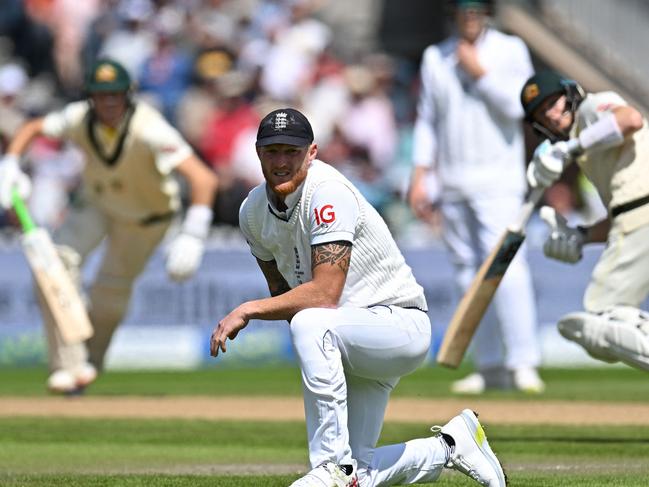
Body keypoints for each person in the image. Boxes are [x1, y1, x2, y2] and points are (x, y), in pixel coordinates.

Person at [210, 107, 507, 487]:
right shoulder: (252, 212)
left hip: (398, 324)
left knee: (311, 322)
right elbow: (284, 295)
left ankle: (334, 463)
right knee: (362, 473)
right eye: (272, 152)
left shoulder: (328, 191)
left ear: (312, 152)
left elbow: (324, 293)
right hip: (349, 334)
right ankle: (451, 445)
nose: (281, 162)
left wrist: (248, 309)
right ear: (257, 153)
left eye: (292, 151)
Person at [0, 58, 218, 393]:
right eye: (102, 95)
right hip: (98, 205)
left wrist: (194, 234)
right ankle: (68, 365)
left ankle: (89, 363)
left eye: (115, 95)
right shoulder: (79, 117)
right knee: (52, 264)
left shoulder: (150, 129)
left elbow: (204, 180)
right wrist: (11, 164)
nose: (109, 102)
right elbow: (32, 128)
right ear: (91, 97)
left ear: (128, 95)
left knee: (108, 296)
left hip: (145, 219)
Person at [407, 0, 544, 394]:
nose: (470, 18)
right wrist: (420, 175)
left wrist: (479, 72)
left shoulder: (510, 49)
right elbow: (428, 119)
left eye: (476, 11)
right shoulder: (436, 56)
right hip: (452, 182)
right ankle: (490, 366)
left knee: (506, 268)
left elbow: (521, 107)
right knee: (467, 271)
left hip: (499, 180)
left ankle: (524, 363)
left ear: (486, 14)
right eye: (463, 11)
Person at [520, 69, 649, 372]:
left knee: (602, 314)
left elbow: (631, 119)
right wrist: (582, 235)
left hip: (641, 215)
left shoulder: (592, 109)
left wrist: (571, 147)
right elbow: (624, 211)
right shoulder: (587, 148)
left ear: (570, 95)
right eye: (542, 114)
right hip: (637, 216)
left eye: (552, 103)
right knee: (606, 334)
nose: (551, 116)